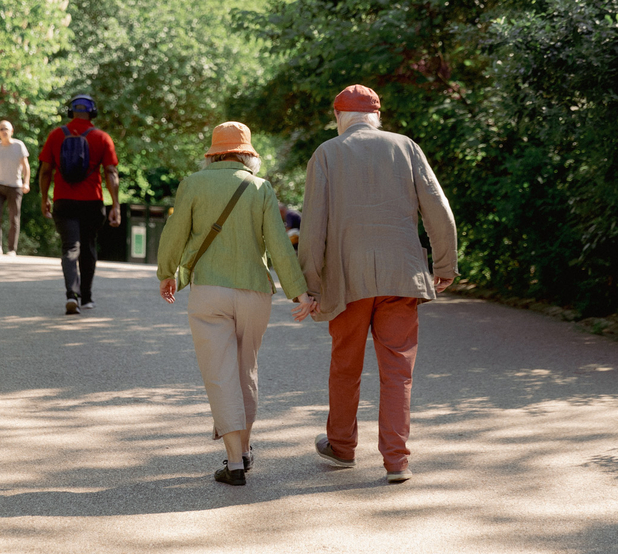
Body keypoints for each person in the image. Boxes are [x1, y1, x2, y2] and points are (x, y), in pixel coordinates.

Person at [295, 84, 458, 484]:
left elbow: (313, 227)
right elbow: (438, 208)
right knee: (398, 371)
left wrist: (311, 286)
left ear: (339, 118)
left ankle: (342, 447)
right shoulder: (406, 147)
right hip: (401, 275)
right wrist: (445, 263)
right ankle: (397, 461)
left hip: (346, 279)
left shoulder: (327, 154)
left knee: (345, 366)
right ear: (377, 116)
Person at [156, 122, 317, 486]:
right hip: (255, 294)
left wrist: (167, 273)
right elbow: (278, 244)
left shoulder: (193, 184)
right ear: (248, 155)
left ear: (213, 153)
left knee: (220, 374)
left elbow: (174, 232)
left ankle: (234, 463)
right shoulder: (260, 188)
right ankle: (244, 449)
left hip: (209, 291)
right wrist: (299, 292)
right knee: (246, 371)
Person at [39, 94, 121, 314]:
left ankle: (71, 295)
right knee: (88, 247)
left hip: (63, 201)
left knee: (70, 247)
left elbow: (46, 171)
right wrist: (116, 205)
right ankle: (86, 297)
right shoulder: (102, 138)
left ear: (71, 112)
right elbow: (111, 172)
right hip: (92, 201)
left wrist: (44, 197)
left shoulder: (56, 135)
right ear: (92, 113)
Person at [0, 120, 31, 256]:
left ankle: (11, 249)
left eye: (6, 129)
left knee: (14, 218)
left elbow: (26, 166)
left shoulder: (19, 146)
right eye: (1, 129)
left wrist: (26, 182)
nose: (4, 131)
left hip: (15, 186)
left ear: (12, 131)